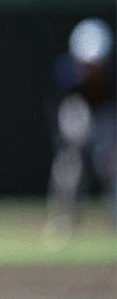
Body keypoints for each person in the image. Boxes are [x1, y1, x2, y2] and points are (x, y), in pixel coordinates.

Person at [44, 17, 117, 235]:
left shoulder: (112, 75)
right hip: (79, 112)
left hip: (105, 116)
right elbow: (59, 110)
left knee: (111, 164)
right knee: (70, 167)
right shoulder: (66, 74)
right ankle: (64, 221)